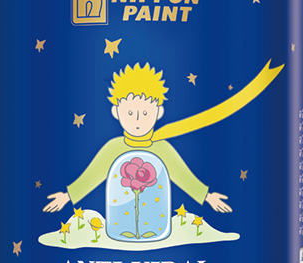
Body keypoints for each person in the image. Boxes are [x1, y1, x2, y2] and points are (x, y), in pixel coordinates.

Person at [43, 63, 232, 214]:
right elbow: (93, 175)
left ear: (158, 112)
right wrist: (67, 196)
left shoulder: (162, 148)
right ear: (116, 112)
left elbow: (181, 175)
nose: (138, 119)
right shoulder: (113, 148)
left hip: (156, 220)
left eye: (145, 112)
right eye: (130, 112)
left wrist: (207, 196)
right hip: (119, 221)